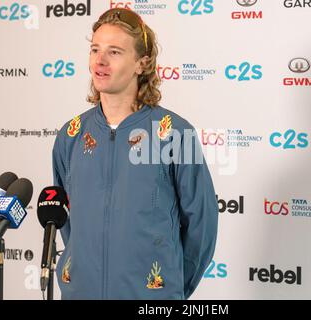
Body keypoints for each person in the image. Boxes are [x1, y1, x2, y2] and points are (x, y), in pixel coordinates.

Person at [52, 8, 218, 299]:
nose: (100, 61)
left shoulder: (176, 134)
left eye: (114, 52)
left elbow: (201, 228)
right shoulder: (71, 134)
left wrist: (168, 289)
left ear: (142, 64)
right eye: (95, 49)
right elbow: (68, 224)